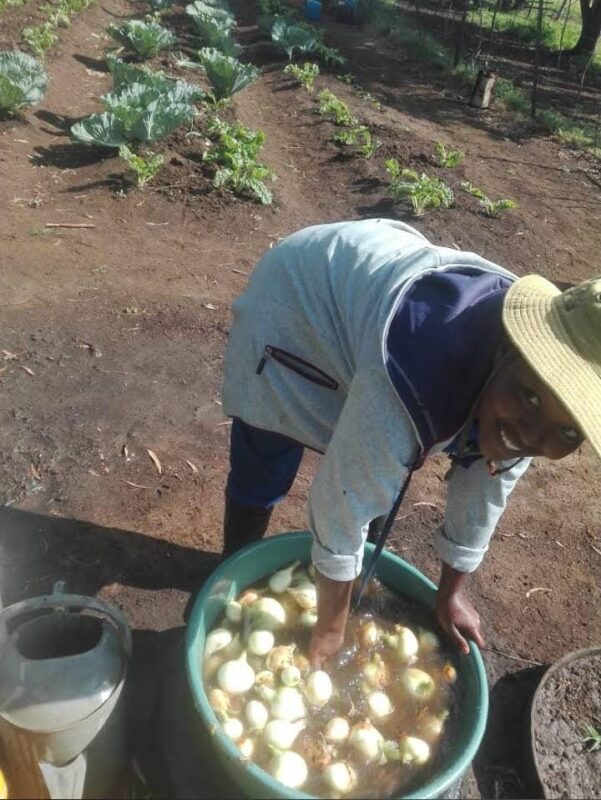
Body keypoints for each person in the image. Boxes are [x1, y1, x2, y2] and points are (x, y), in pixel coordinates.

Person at [221, 218, 599, 667]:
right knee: (271, 445)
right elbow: (340, 506)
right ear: (507, 350)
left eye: (569, 430)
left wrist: (452, 593)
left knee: (376, 462)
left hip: (371, 306)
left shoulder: (526, 396)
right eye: (531, 397)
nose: (534, 436)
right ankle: (230, 573)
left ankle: (339, 576)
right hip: (299, 302)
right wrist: (329, 631)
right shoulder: (420, 358)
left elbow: (487, 484)